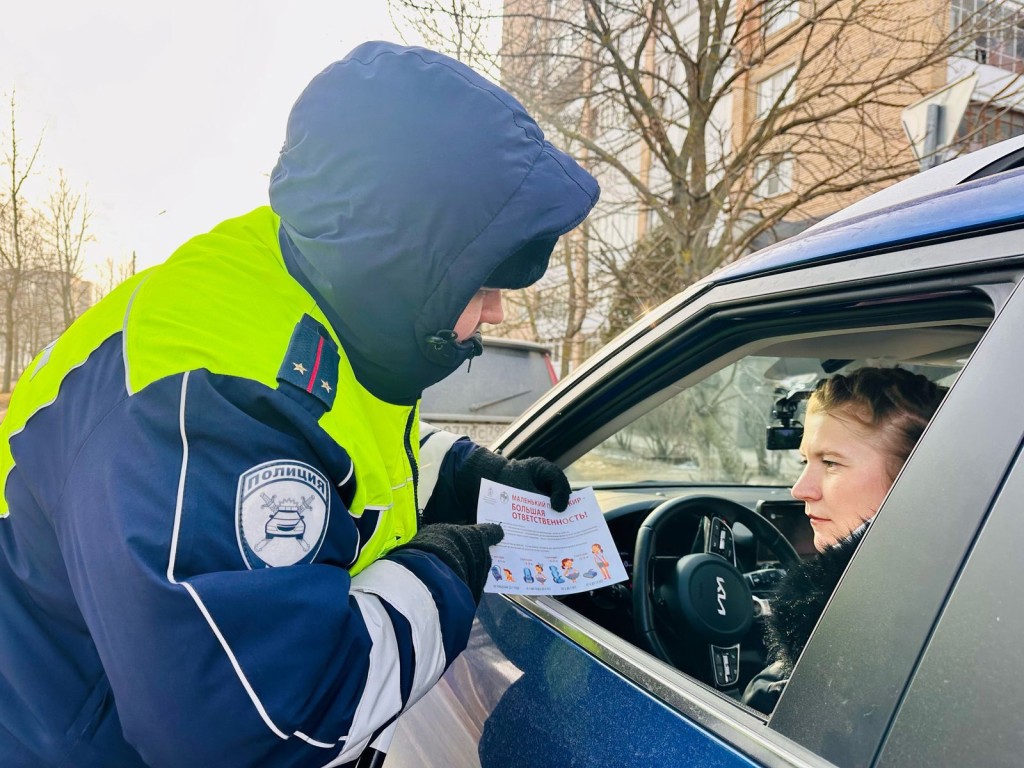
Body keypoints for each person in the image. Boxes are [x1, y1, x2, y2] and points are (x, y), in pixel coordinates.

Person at [0, 42, 599, 767]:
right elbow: (260, 729)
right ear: (406, 263)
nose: (498, 311)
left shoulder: (317, 281)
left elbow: (337, 443)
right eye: (482, 280)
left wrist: (464, 476)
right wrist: (440, 578)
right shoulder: (200, 400)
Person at [742, 367, 947, 714]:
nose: (799, 489)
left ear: (913, 476)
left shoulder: (866, 637)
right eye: (805, 461)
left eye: (831, 463)